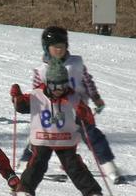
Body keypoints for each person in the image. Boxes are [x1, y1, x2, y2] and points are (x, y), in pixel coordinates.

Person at [17, 26, 125, 184]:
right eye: (55, 47)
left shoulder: (76, 64)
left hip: (77, 111)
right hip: (53, 111)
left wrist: (96, 98)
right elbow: (36, 94)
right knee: (41, 138)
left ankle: (110, 168)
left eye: (62, 46)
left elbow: (88, 82)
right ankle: (25, 164)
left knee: (93, 136)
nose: (59, 50)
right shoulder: (42, 71)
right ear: (47, 48)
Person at [11, 58, 105, 196]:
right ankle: (24, 193)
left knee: (74, 167)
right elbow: (21, 106)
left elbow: (86, 115)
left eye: (62, 85)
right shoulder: (36, 95)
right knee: (37, 163)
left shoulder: (72, 97)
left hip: (65, 139)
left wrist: (85, 117)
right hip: (43, 138)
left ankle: (94, 195)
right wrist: (17, 97)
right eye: (55, 85)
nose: (58, 89)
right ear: (48, 83)